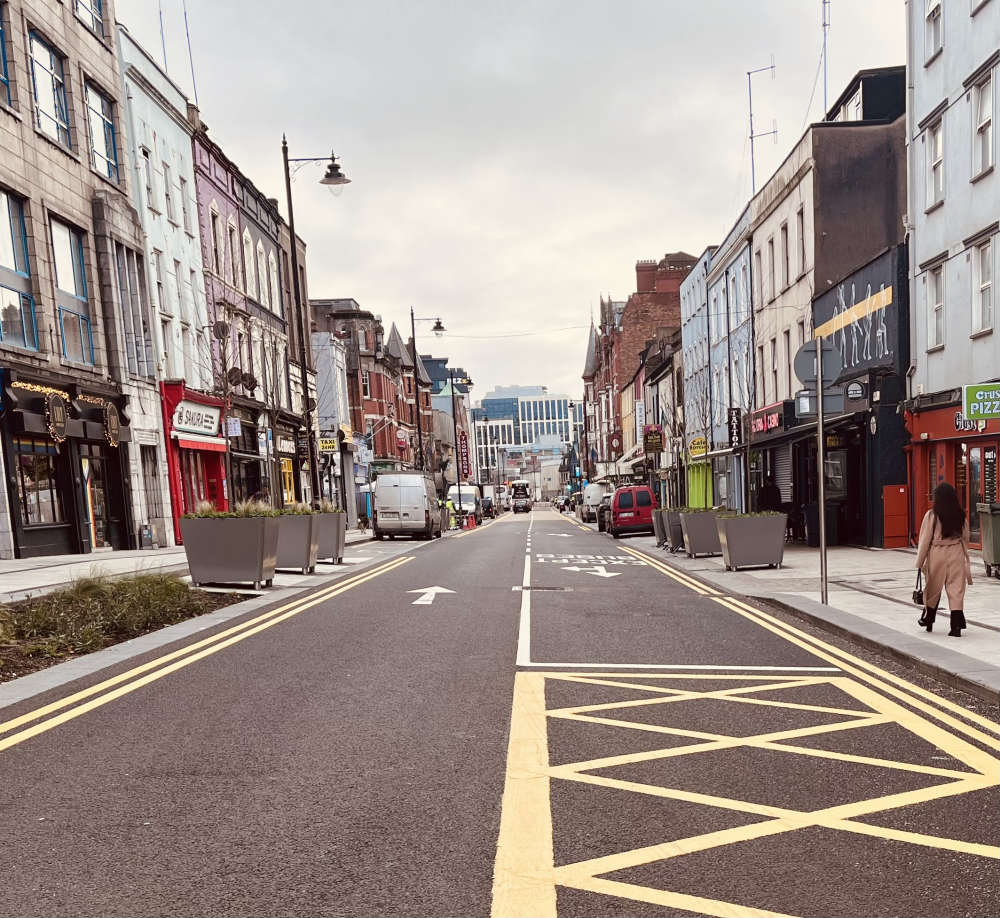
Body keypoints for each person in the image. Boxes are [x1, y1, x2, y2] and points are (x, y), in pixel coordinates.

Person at [915, 482, 972, 636]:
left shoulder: (931, 516)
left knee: (933, 587)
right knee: (956, 589)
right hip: (956, 552)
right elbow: (966, 537)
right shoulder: (960, 515)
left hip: (937, 553)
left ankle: (929, 618)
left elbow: (924, 540)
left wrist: (919, 563)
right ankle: (956, 626)